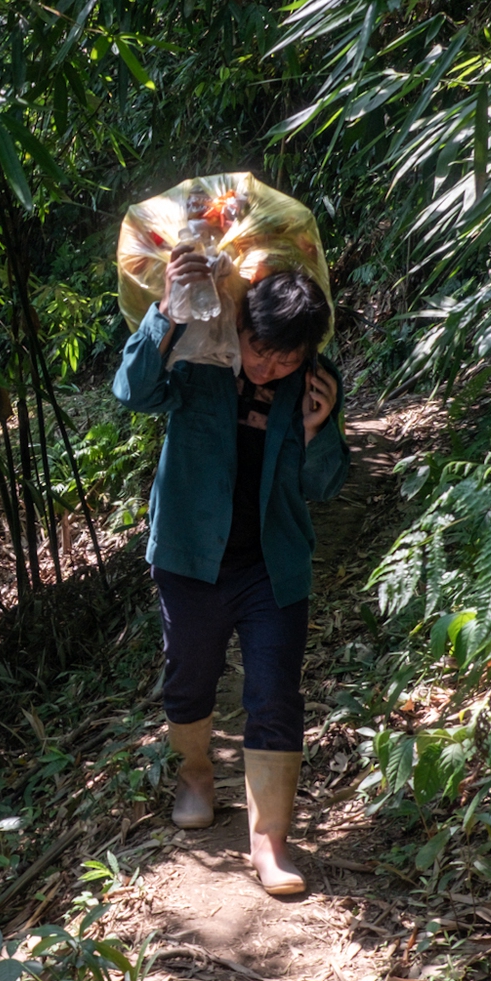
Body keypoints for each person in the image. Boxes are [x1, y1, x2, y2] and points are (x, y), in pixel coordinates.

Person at [111, 247, 347, 895]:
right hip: (189, 556)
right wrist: (165, 312)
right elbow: (133, 393)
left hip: (272, 564)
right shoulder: (197, 351)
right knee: (190, 673)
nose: (269, 367)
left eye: (285, 359)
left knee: (275, 691)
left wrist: (317, 427)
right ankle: (194, 774)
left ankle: (269, 842)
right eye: (259, 349)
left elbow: (323, 485)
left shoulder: (314, 381)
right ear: (239, 324)